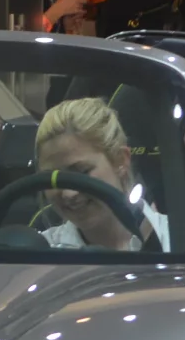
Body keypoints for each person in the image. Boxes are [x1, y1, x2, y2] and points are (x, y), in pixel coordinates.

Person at [32, 96, 168, 250]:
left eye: (82, 172)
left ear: (120, 160)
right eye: (53, 180)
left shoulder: (178, 243)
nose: (68, 194)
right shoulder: (40, 255)